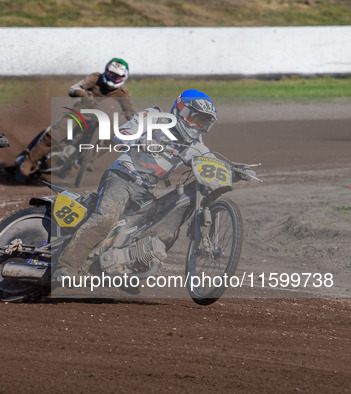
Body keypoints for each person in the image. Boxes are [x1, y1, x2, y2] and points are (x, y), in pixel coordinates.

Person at [53, 89, 256, 280]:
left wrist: (236, 172)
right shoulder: (153, 117)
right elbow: (120, 133)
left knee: (163, 228)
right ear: (181, 109)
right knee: (106, 218)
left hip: (145, 192)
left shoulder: (194, 146)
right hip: (122, 176)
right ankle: (66, 267)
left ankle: (125, 269)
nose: (197, 127)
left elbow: (211, 163)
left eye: (203, 124)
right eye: (195, 119)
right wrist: (140, 140)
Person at [13, 58, 135, 183]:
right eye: (110, 75)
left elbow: (131, 113)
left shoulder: (123, 94)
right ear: (105, 71)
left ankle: (87, 159)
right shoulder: (95, 78)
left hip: (101, 121)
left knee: (118, 138)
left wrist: (140, 126)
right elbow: (73, 88)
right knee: (56, 134)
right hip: (81, 113)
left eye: (116, 77)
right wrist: (81, 93)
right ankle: (29, 161)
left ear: (123, 78)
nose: (111, 79)